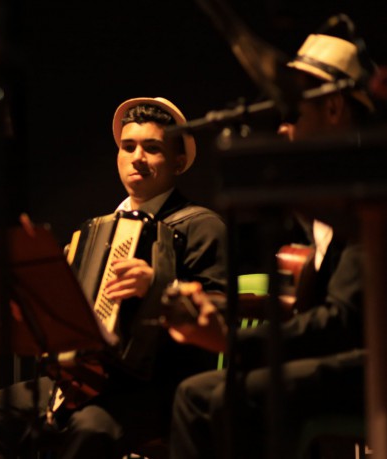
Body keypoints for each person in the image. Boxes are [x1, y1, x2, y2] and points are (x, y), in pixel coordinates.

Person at [0, 97, 229, 458]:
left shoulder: (201, 225)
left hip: (162, 386)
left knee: (88, 428)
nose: (137, 157)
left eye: (152, 148)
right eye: (128, 147)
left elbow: (221, 310)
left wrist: (160, 287)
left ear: (178, 162)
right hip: (85, 382)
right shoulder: (96, 232)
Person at [165, 29, 380, 459]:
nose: (283, 127)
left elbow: (343, 322)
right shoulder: (330, 200)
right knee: (198, 392)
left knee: (228, 396)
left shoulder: (369, 192)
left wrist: (230, 340)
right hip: (350, 355)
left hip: (374, 363)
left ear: (335, 107)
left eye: (292, 113)